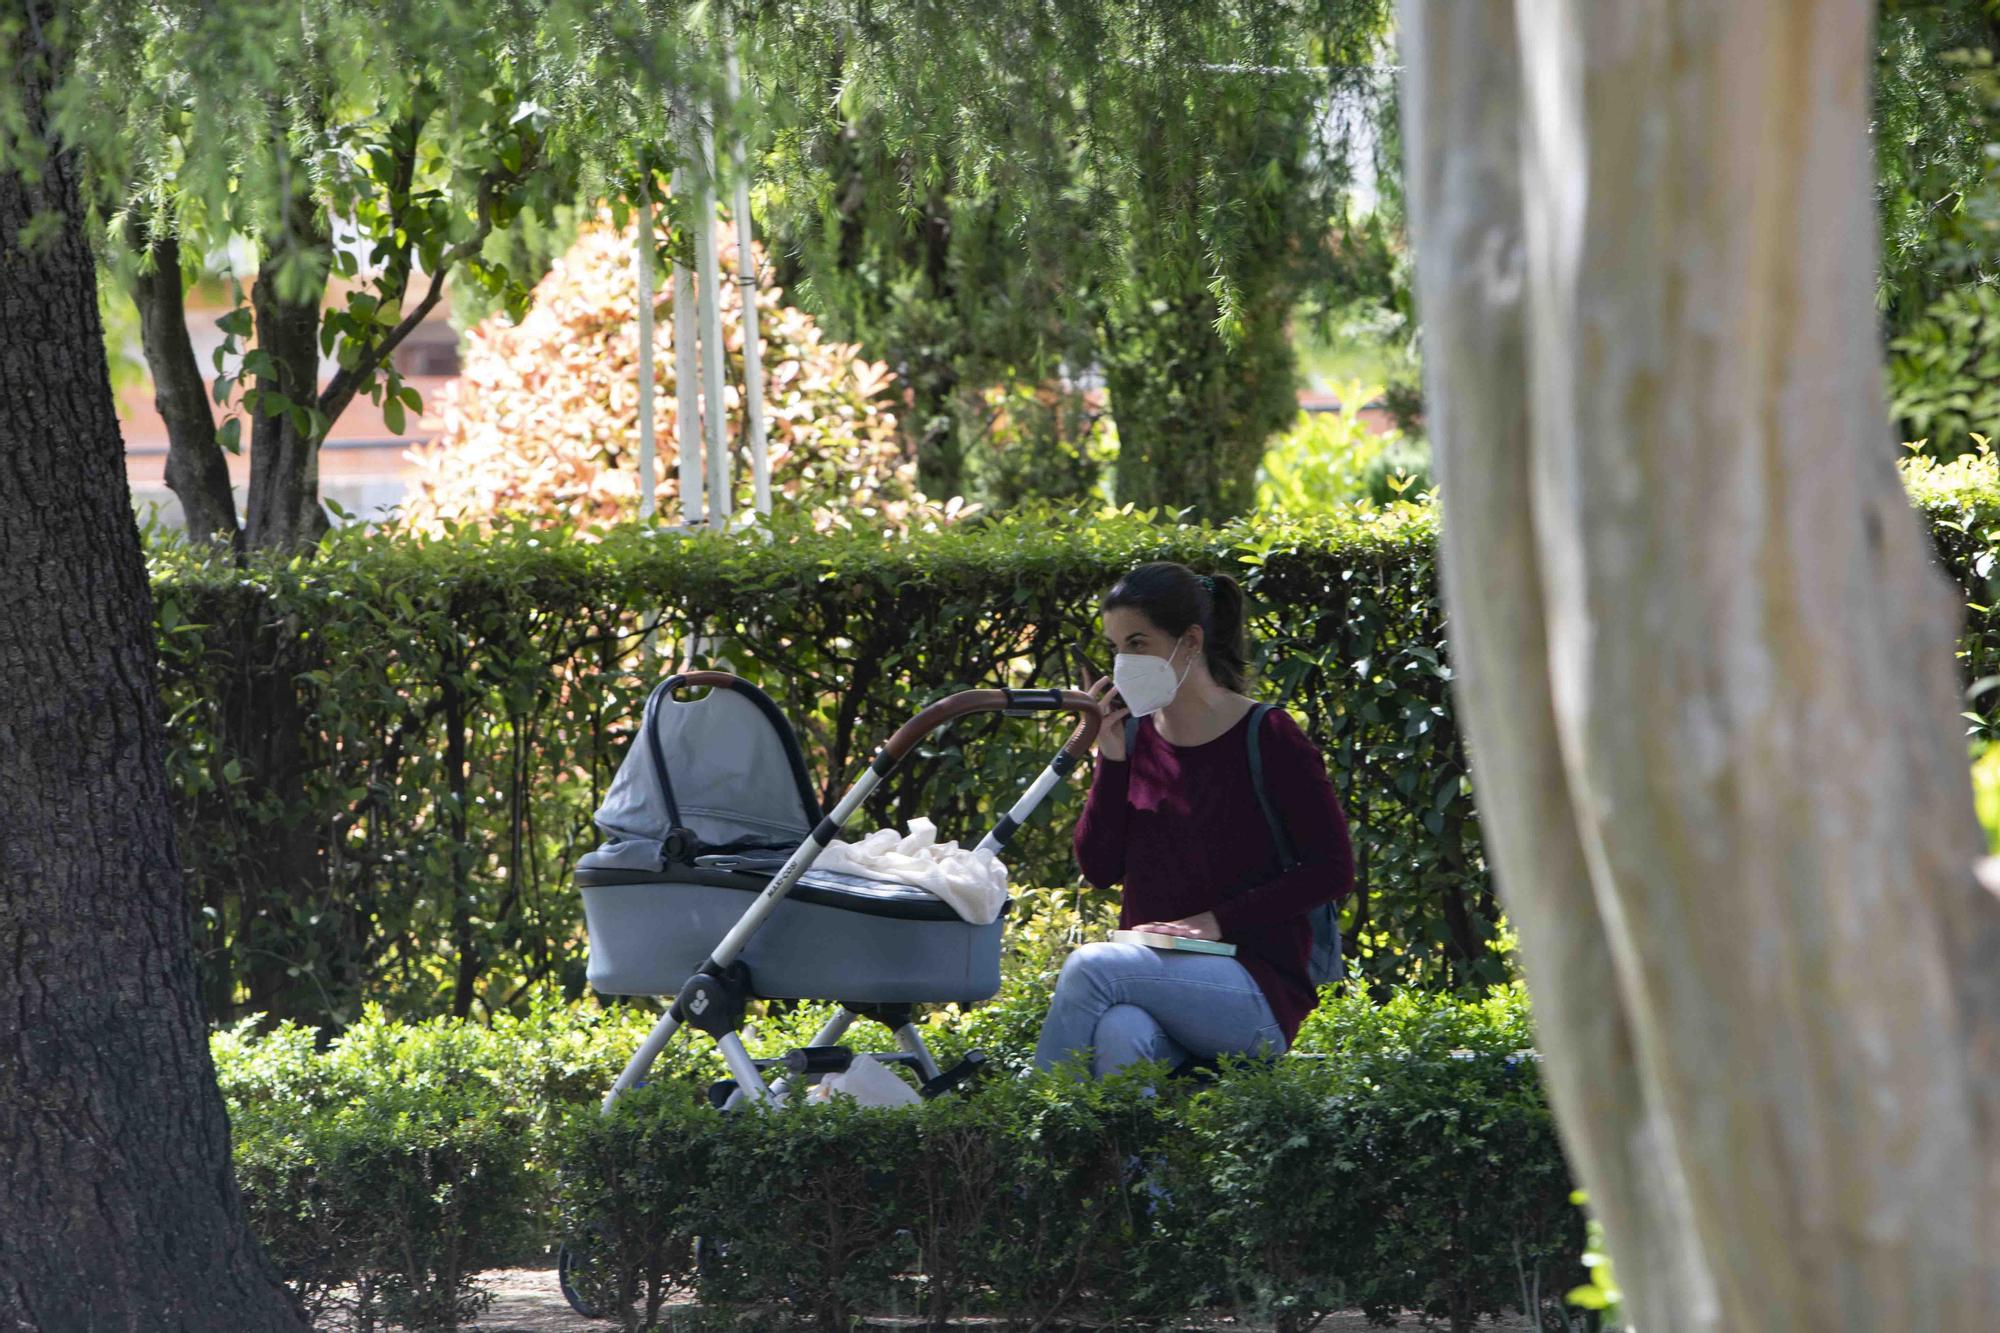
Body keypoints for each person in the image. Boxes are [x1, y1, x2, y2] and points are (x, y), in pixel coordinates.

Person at [1033, 561, 1355, 1078]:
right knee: (1122, 1034)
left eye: (1137, 643)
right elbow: (1098, 869)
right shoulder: (1134, 737)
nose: (1121, 663)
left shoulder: (1269, 735)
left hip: (1256, 990)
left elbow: (1332, 869)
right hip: (1156, 978)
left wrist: (1216, 922)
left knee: (1091, 968)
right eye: (1115, 648)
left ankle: (1029, 1138)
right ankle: (1131, 1161)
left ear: (1189, 642)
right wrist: (1110, 760)